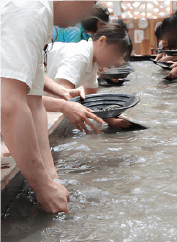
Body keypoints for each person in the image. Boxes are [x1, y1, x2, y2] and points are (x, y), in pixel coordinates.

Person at [0, 0, 95, 214]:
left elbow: (34, 104)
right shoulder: (29, 9)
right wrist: (42, 186)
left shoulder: (41, 18)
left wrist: (51, 176)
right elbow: (9, 105)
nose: (89, 12)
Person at [43, 23, 133, 130]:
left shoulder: (92, 61)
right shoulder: (80, 56)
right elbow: (62, 96)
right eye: (114, 54)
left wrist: (111, 117)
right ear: (101, 41)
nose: (116, 61)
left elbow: (92, 100)